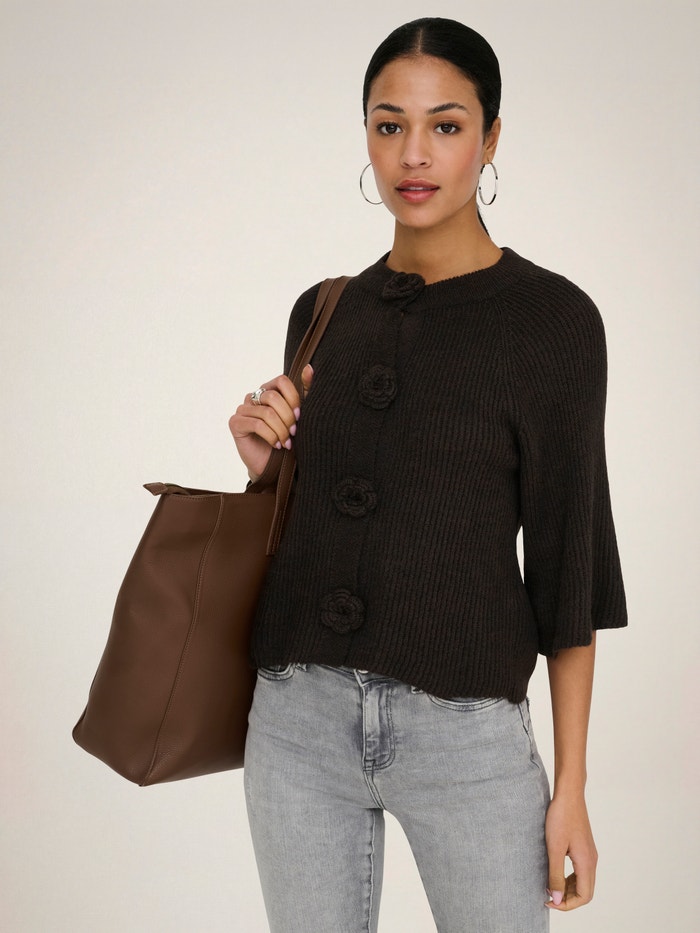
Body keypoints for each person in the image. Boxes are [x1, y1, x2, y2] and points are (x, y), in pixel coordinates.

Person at [228, 17, 627, 933]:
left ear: (491, 137)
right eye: (389, 124)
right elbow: (317, 525)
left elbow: (567, 567)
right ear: (365, 135)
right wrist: (269, 473)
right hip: (295, 722)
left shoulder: (553, 322)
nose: (414, 154)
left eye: (446, 125)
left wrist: (570, 786)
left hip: (467, 737)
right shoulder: (323, 311)